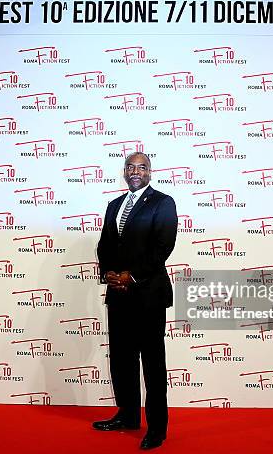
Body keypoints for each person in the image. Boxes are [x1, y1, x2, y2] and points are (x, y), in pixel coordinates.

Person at [93, 152, 178, 450]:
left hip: (148, 295)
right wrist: (109, 274)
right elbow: (105, 244)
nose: (135, 171)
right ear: (124, 171)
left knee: (153, 364)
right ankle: (128, 416)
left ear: (150, 172)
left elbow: (162, 247)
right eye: (130, 166)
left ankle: (157, 429)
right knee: (122, 360)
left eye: (142, 167)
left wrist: (132, 276)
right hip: (118, 295)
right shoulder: (114, 205)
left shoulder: (162, 203)